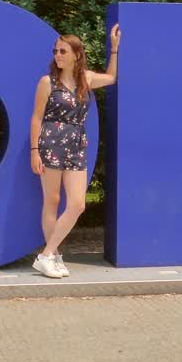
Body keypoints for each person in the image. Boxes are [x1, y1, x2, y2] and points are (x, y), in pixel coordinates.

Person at [29, 24, 120, 278]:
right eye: (56, 51)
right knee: (53, 201)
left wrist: (114, 49)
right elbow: (36, 118)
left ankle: (46, 254)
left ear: (76, 55)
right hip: (50, 143)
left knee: (78, 204)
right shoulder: (47, 82)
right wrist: (34, 150)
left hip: (76, 144)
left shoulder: (86, 80)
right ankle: (53, 257)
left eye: (63, 51)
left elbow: (112, 78)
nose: (57, 55)